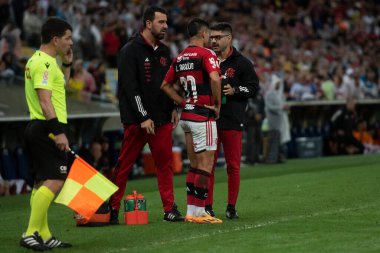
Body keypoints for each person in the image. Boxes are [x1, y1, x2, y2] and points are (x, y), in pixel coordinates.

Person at [109, 6, 184, 224]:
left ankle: (169, 209)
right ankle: (112, 209)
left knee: (165, 164)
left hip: (161, 119)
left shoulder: (164, 51)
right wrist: (143, 117)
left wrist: (173, 106)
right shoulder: (129, 51)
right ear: (148, 24)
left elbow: (168, 84)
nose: (166, 26)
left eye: (166, 22)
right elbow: (130, 89)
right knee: (124, 165)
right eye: (161, 22)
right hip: (136, 121)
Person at [161, 18, 223, 224]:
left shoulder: (179, 57)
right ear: (204, 34)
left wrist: (182, 102)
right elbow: (215, 78)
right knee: (205, 166)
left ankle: (191, 212)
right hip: (202, 116)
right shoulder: (207, 54)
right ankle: (202, 211)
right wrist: (217, 105)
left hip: (187, 116)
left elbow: (165, 85)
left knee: (194, 166)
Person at [21, 17, 73, 250]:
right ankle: (31, 233)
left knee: (42, 182)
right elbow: (45, 101)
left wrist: (67, 65)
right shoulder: (42, 63)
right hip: (46, 128)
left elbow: (60, 88)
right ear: (55, 39)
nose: (70, 43)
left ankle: (43, 233)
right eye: (67, 38)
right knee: (55, 180)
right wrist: (58, 132)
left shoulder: (48, 62)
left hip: (44, 127)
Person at [205, 22, 259, 219]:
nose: (214, 41)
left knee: (233, 166)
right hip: (209, 120)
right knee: (207, 166)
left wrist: (235, 90)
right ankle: (207, 206)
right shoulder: (206, 59)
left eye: (218, 37)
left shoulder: (242, 63)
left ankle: (231, 207)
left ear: (229, 38)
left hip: (232, 121)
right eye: (212, 37)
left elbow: (253, 88)